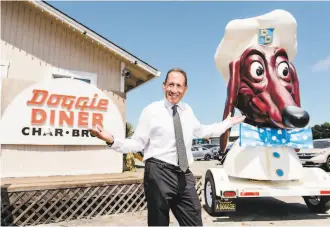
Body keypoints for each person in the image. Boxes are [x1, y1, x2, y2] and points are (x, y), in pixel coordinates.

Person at [89, 68, 245, 226]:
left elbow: (203, 131)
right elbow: (138, 142)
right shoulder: (151, 111)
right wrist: (112, 141)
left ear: (185, 89)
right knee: (158, 222)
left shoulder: (188, 111)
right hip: (159, 171)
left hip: (184, 174)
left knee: (194, 221)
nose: (174, 90)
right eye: (171, 85)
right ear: (164, 86)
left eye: (179, 86)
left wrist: (227, 123)